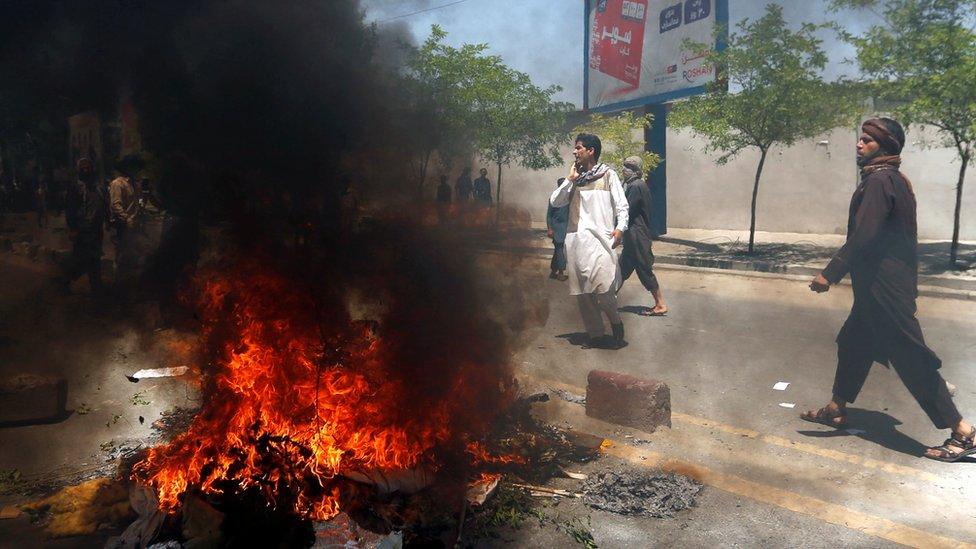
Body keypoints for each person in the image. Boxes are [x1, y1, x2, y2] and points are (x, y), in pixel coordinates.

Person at [803, 117, 974, 463]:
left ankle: (963, 431)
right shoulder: (889, 179)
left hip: (885, 290)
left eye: (867, 140)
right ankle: (836, 409)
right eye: (861, 139)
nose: (859, 144)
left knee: (911, 358)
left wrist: (830, 273)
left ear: (885, 145)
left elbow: (865, 235)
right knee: (853, 343)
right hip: (876, 290)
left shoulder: (881, 182)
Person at [550, 133, 628, 347]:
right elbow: (555, 202)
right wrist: (569, 180)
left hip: (602, 240)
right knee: (584, 293)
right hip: (577, 241)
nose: (574, 152)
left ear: (590, 151)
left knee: (604, 290)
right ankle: (596, 335)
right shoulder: (575, 179)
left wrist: (620, 228)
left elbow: (622, 205)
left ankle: (615, 320)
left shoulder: (608, 175)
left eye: (578, 148)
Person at [619, 156, 667, 316]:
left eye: (629, 167)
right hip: (634, 234)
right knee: (622, 268)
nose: (625, 169)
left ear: (636, 171)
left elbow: (626, 211)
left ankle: (660, 304)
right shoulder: (636, 185)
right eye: (625, 166)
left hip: (636, 234)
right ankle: (608, 299)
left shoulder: (636, 186)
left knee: (644, 269)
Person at [59, 157, 106, 294]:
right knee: (80, 258)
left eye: (88, 167)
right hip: (82, 229)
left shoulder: (98, 188)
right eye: (83, 167)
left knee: (94, 257)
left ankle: (96, 286)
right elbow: (70, 210)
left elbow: (102, 206)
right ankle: (65, 280)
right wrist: (73, 228)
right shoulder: (75, 188)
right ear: (79, 170)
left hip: (96, 230)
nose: (86, 170)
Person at [109, 158, 141, 284]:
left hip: (132, 223)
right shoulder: (118, 183)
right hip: (122, 224)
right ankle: (118, 283)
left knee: (130, 253)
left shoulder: (132, 184)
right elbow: (116, 205)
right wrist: (127, 219)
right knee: (121, 254)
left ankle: (127, 283)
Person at [546, 178, 569, 281]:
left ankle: (553, 271)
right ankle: (561, 272)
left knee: (557, 250)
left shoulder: (568, 199)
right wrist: (550, 228)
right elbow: (549, 215)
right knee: (559, 249)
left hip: (566, 228)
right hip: (556, 228)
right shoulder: (553, 198)